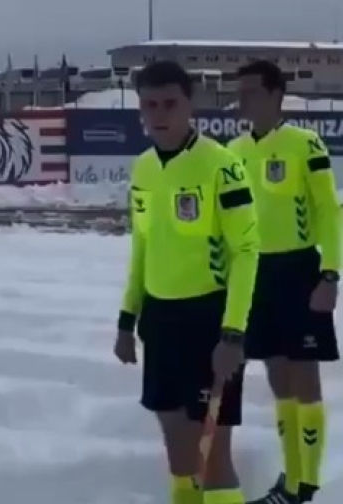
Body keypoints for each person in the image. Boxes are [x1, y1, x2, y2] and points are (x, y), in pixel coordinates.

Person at [113, 60, 260, 504]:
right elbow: (142, 247)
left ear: (189, 104)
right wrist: (126, 320)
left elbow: (247, 252)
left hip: (209, 321)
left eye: (169, 104)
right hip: (160, 320)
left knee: (211, 454)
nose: (159, 114)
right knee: (178, 451)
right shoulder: (142, 169)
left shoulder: (223, 166)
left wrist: (232, 334)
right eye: (149, 105)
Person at [228, 60, 340, 504]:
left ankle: (304, 484)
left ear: (276, 95)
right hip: (256, 274)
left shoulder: (304, 144)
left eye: (253, 92)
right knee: (276, 374)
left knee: (303, 376)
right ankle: (291, 478)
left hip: (297, 271)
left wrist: (330, 274)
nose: (244, 101)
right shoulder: (233, 151)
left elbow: (330, 213)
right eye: (241, 93)